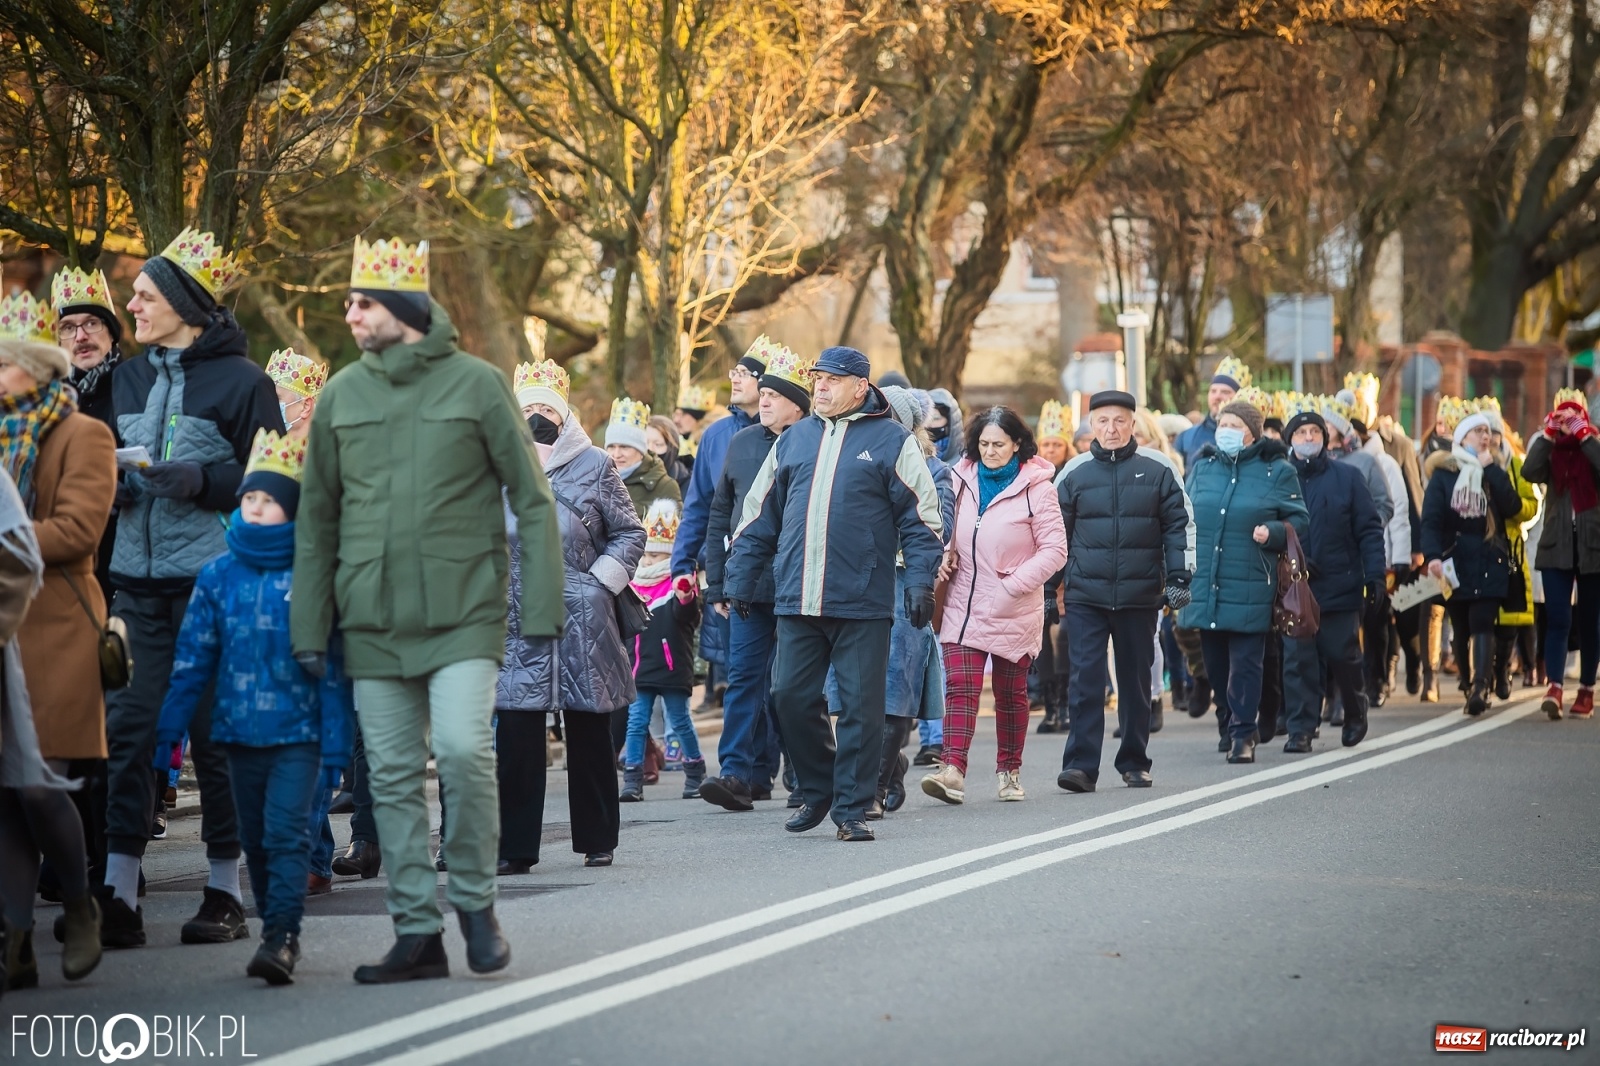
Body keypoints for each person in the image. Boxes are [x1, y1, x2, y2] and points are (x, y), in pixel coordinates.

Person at [292, 236, 564, 983]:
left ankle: (475, 904)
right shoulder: (344, 392)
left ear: (405, 311)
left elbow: (533, 501)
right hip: (371, 619)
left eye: (363, 302)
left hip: (464, 613)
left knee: (466, 752)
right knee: (390, 777)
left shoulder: (477, 385)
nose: (349, 313)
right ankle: (417, 932)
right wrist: (309, 626)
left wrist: (542, 610)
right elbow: (316, 519)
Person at [102, 228, 284, 949]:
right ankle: (117, 890)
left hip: (216, 590)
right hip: (134, 589)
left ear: (182, 303)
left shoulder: (245, 384)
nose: (133, 306)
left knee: (216, 739)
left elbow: (276, 483)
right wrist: (110, 487)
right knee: (128, 733)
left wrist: (207, 482)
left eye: (145, 295)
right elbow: (92, 462)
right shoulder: (128, 379)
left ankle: (223, 890)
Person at [153, 431, 352, 984]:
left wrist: (336, 742)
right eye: (248, 499)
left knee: (288, 833)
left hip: (300, 734)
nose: (256, 508)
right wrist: (170, 727)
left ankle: (280, 935)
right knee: (258, 841)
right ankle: (271, 917)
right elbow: (193, 658)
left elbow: (336, 666)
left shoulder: (314, 573)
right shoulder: (218, 575)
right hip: (237, 732)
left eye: (268, 500)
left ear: (291, 508)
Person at [724, 346, 943, 841]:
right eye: (817, 379)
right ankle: (821, 786)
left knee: (863, 710)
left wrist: (919, 583)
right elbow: (758, 514)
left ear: (860, 387)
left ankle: (851, 808)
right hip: (796, 595)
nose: (820, 387)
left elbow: (923, 521)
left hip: (863, 598)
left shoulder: (891, 440)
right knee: (789, 697)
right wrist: (739, 576)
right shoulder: (794, 439)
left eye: (832, 380)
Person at [494, 360, 644, 870]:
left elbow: (630, 532)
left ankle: (598, 837)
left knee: (588, 728)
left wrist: (600, 580)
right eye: (528, 408)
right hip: (516, 616)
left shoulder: (595, 463)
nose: (537, 416)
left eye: (546, 408)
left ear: (565, 414)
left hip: (583, 612)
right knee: (516, 734)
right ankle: (514, 848)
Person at [0, 324, 113, 989]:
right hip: (5, 623)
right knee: (7, 793)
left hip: (60, 624)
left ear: (32, 371)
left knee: (42, 783)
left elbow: (77, 530)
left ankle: (79, 903)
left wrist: (7, 535)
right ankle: (14, 942)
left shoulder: (82, 434)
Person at [920, 406, 1066, 804]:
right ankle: (952, 770)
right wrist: (945, 552)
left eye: (999, 444)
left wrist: (1014, 585)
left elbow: (1055, 550)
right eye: (983, 444)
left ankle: (1009, 771)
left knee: (1011, 694)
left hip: (1012, 605)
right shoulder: (959, 477)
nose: (990, 451)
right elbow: (943, 525)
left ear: (1017, 444)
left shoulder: (1038, 487)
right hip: (963, 602)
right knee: (961, 687)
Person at [1052, 390, 1192, 792]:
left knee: (1134, 681)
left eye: (1119, 421)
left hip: (1139, 593)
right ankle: (1080, 765)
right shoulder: (1073, 473)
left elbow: (1179, 526)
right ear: (1091, 426)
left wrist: (1180, 577)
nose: (1111, 429)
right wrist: (1047, 589)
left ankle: (1134, 760)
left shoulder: (1158, 468)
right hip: (1085, 596)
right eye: (1102, 421)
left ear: (1133, 424)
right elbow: (1054, 536)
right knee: (1085, 680)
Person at [700, 342, 815, 811]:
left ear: (797, 403)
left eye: (773, 393)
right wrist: (716, 585)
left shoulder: (815, 442)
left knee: (791, 687)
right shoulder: (742, 443)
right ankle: (736, 775)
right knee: (743, 679)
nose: (762, 399)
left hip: (798, 586)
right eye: (761, 392)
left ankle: (804, 776)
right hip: (746, 586)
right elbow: (719, 514)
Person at [1180, 399, 1307, 764]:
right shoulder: (1202, 467)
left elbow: (1300, 521)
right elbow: (1183, 515)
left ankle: (1242, 733)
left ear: (1252, 432)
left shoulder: (1277, 471)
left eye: (1234, 424)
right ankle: (1231, 716)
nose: (1225, 430)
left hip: (1253, 580)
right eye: (1222, 423)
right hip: (1207, 580)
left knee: (1247, 663)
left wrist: (1275, 532)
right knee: (1215, 664)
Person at [867, 386, 953, 816]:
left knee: (897, 686)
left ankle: (875, 789)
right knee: (848, 692)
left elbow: (940, 528)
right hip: (859, 583)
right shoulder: (854, 459)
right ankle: (890, 762)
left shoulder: (935, 470)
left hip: (907, 585)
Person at [674, 340, 771, 712]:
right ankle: (744, 767)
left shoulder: (793, 433)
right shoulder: (716, 435)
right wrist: (682, 563)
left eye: (744, 373)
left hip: (782, 576)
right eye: (735, 372)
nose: (735, 379)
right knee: (741, 677)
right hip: (730, 575)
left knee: (781, 683)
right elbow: (700, 506)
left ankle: (792, 767)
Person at [1280, 408, 1384, 751]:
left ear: (1325, 439)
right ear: (1290, 440)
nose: (1308, 438)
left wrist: (1375, 576)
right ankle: (1301, 728)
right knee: (1299, 659)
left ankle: (1355, 711)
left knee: (1343, 654)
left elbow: (1369, 529)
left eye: (1314, 432)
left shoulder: (1348, 477)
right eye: (1300, 433)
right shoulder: (1279, 480)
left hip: (1340, 583)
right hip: (1296, 587)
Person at [1420, 408, 1523, 717]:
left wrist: (1491, 469)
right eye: (1478, 432)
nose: (1485, 436)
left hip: (1490, 556)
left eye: (1487, 432)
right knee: (1461, 627)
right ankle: (1467, 684)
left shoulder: (1495, 468)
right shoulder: (1444, 473)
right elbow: (1431, 520)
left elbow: (1512, 506)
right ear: (1463, 437)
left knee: (1482, 622)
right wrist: (1433, 556)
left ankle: (1480, 686)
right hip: (1455, 559)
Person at [1521, 389, 1600, 719]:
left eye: (1573, 418)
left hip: (1593, 545)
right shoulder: (1550, 451)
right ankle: (1554, 686)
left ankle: (1585, 690)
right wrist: (1547, 434)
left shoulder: (1592, 446)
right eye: (1562, 418)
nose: (1567, 424)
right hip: (1556, 545)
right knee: (1557, 617)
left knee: (1590, 620)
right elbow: (1529, 472)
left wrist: (1584, 435)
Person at [620, 502, 704, 802]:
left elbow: (688, 617)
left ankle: (695, 772)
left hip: (671, 668)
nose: (648, 559)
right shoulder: (632, 583)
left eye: (656, 554)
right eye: (646, 553)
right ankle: (633, 778)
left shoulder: (677, 583)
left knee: (679, 719)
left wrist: (685, 595)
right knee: (637, 721)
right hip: (639, 669)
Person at [1489, 423, 1538, 700]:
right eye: (1485, 432)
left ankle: (1502, 669)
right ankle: (1483, 675)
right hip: (1482, 549)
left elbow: (1531, 505)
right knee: (1483, 617)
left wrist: (1517, 509)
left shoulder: (1517, 465)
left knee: (1510, 615)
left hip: (1510, 549)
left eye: (1495, 432)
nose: (1491, 438)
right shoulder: (1471, 464)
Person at [606, 398, 682, 517]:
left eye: (624, 447)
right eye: (611, 447)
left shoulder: (666, 487)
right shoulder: (594, 479)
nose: (616, 454)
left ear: (641, 450)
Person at [1174, 356, 1248, 469]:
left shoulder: (1249, 437)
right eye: (1213, 391)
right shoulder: (1187, 438)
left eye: (1225, 392)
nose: (1217, 396)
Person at [266, 348, 328, 443]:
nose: (266, 404)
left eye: (276, 398)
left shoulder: (329, 453)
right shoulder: (261, 449)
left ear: (306, 406)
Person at [672, 383, 718, 476]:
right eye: (676, 414)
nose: (676, 420)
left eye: (682, 415)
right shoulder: (674, 440)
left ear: (698, 419)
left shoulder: (713, 443)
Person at [646, 415, 691, 494]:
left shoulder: (686, 483)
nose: (650, 449)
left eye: (658, 444)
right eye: (645, 443)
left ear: (672, 449)